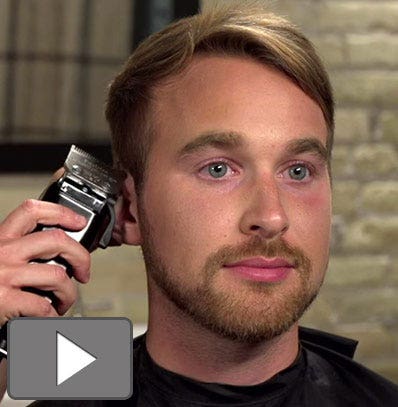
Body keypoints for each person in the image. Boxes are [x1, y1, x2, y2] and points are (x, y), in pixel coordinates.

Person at [0, 2, 397, 406]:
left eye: (297, 171)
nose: (272, 217)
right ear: (131, 207)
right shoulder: (76, 381)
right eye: (218, 169)